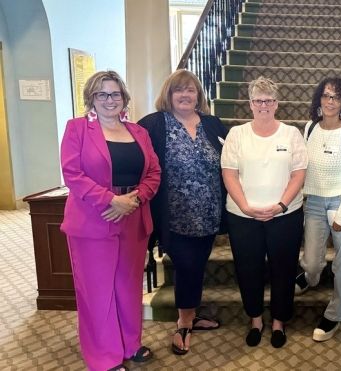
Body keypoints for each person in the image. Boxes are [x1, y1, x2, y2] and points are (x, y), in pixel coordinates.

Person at [60, 70, 161, 371]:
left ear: (124, 98)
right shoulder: (77, 129)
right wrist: (110, 200)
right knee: (97, 291)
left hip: (132, 215)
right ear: (91, 98)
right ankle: (104, 358)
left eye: (115, 93)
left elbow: (154, 173)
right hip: (94, 217)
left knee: (129, 286)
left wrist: (135, 199)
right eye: (102, 94)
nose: (109, 99)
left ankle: (130, 344)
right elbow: (72, 174)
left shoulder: (138, 132)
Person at [138, 69, 228, 356]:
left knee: (197, 266)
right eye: (179, 90)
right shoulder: (154, 124)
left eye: (191, 90)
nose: (186, 95)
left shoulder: (213, 124)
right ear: (169, 94)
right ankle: (184, 322)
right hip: (174, 216)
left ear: (198, 95)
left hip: (209, 214)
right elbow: (133, 155)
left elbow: (232, 160)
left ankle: (191, 313)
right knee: (186, 266)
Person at [221, 76, 307, 348]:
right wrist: (246, 206)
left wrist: (281, 205)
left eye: (269, 100)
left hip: (285, 215)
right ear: (250, 103)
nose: (264, 105)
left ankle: (279, 322)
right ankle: (255, 320)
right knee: (249, 269)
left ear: (277, 103)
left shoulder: (292, 134)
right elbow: (229, 174)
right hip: (242, 217)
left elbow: (298, 174)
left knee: (283, 269)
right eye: (258, 100)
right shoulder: (237, 134)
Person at [293, 77, 341, 342]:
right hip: (314, 203)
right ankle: (310, 277)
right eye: (326, 95)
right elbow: (300, 166)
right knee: (311, 261)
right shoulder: (309, 128)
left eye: (336, 96)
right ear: (318, 99)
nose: (330, 101)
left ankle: (335, 314)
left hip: (340, 201)